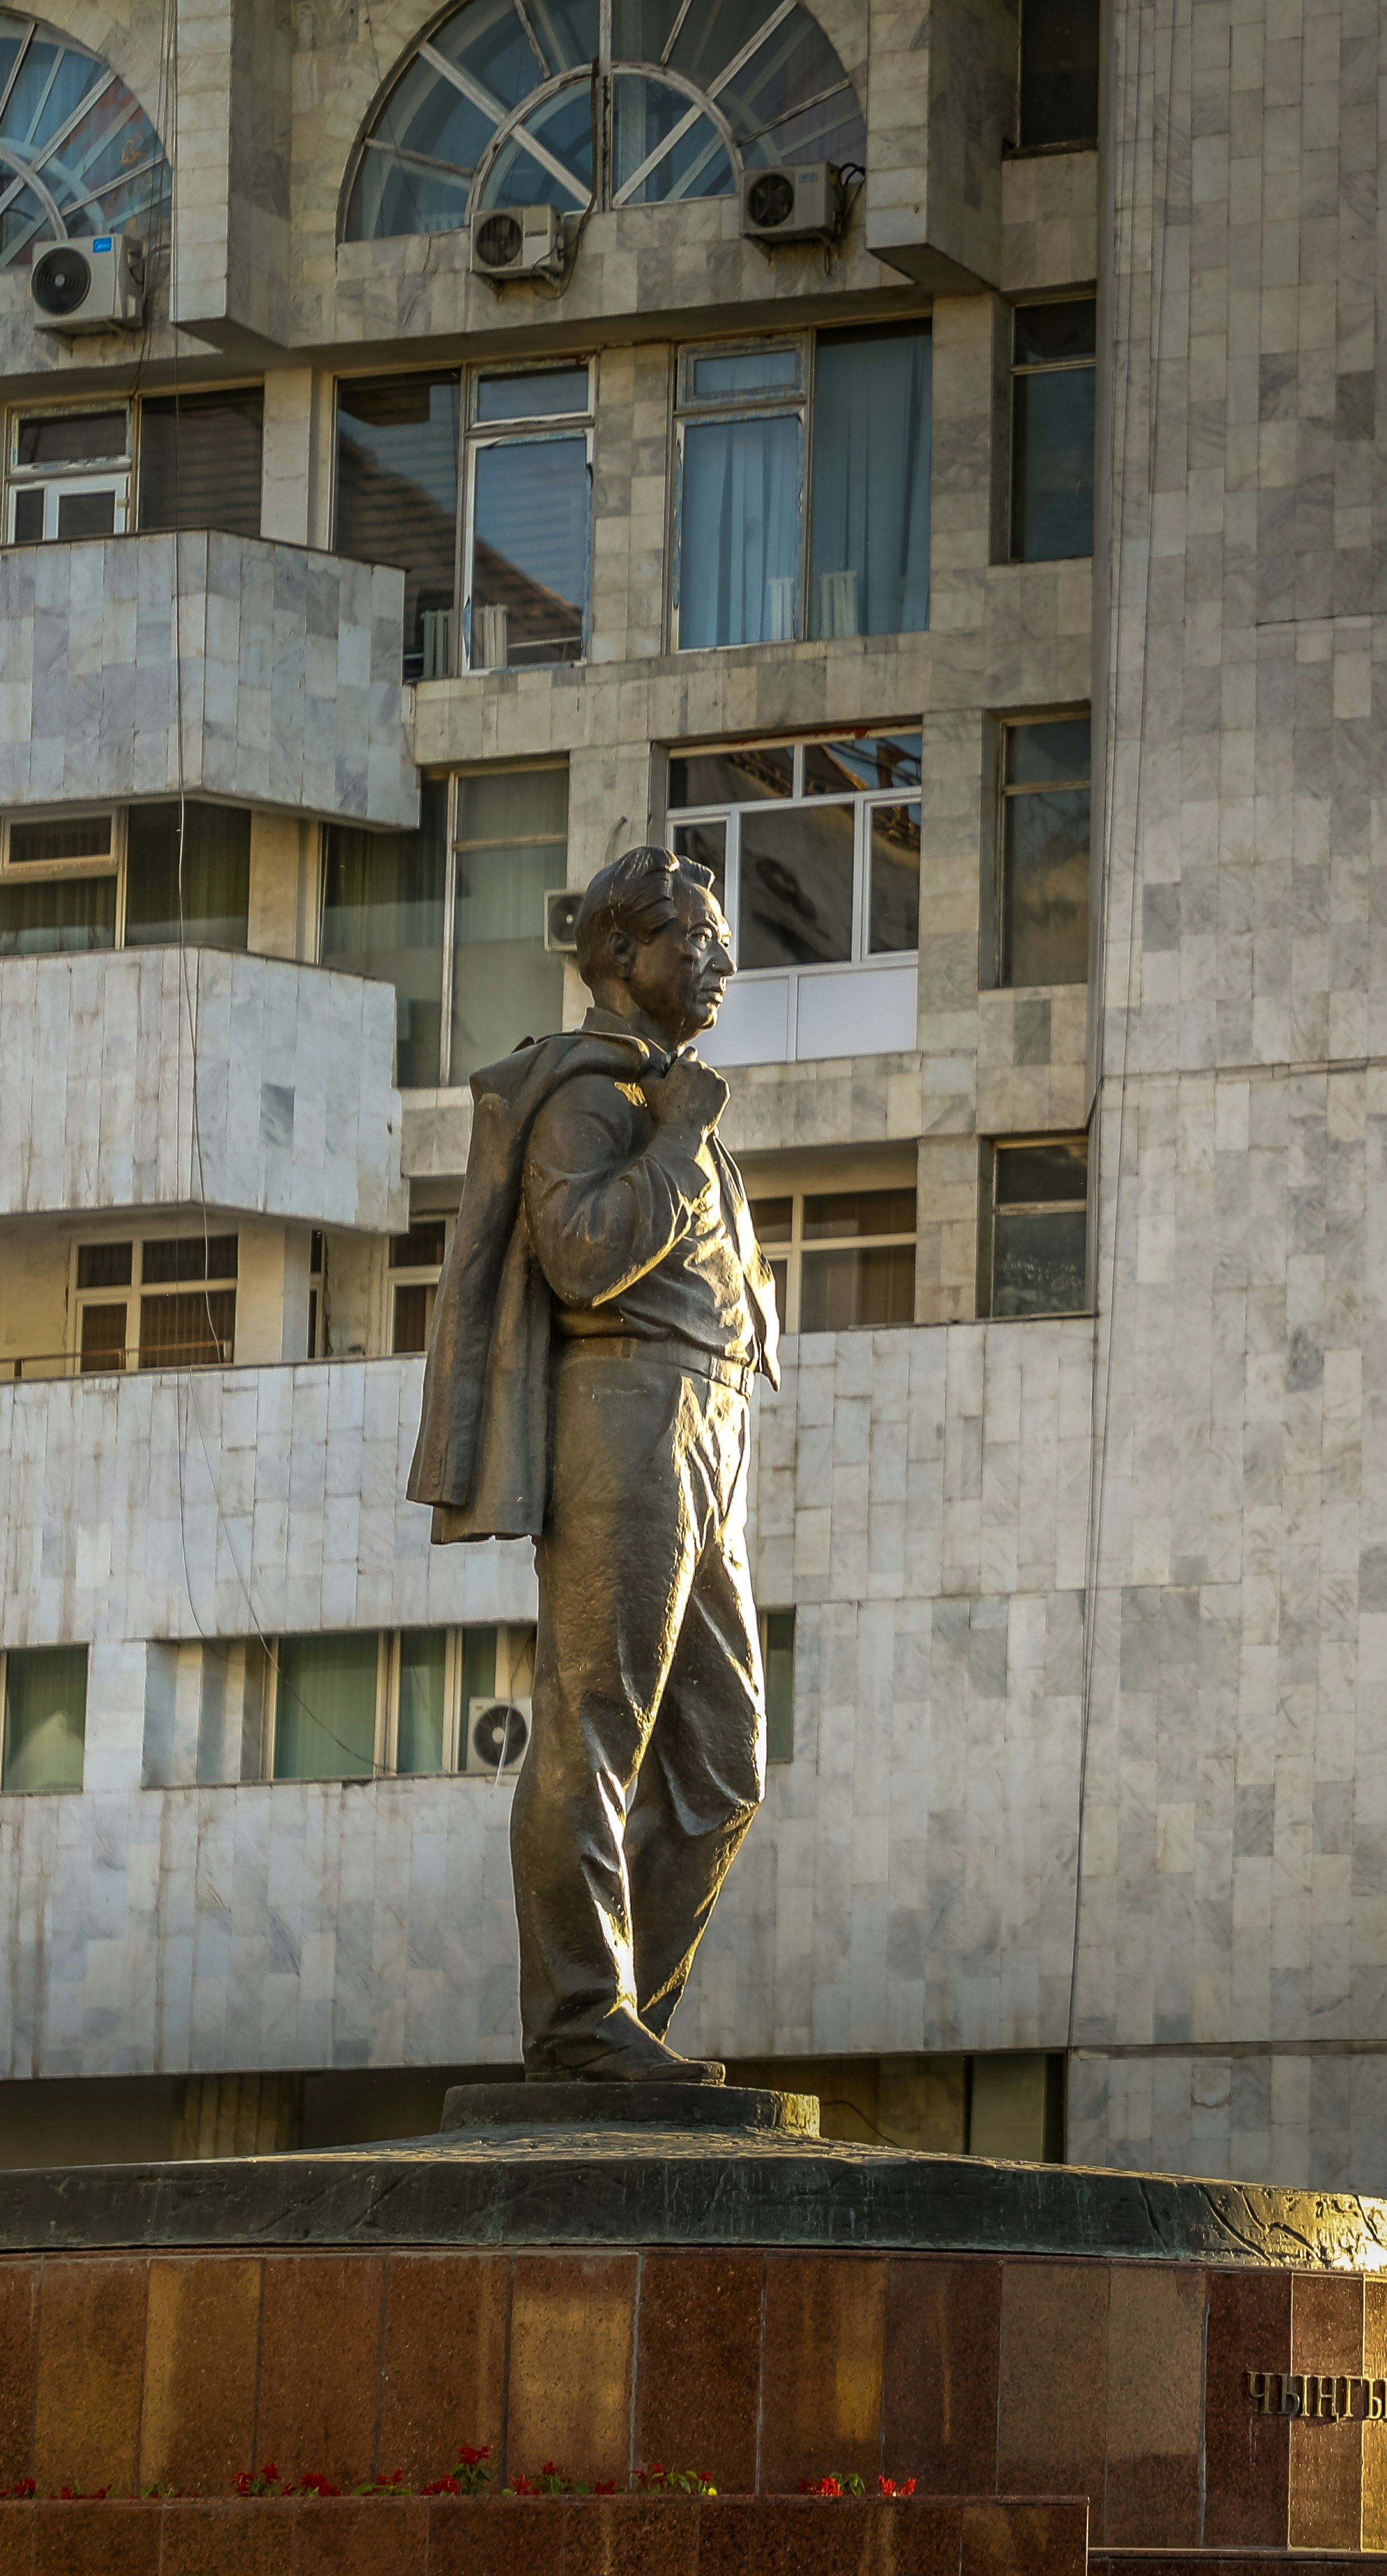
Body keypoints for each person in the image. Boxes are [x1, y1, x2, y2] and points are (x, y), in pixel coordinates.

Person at [410, 846, 779, 2083]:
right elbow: (579, 1256)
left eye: (722, 942)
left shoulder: (667, 1093)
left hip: (711, 1420)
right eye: (699, 937)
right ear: (623, 953)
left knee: (725, 1763)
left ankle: (618, 2022)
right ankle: (580, 2018)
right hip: (625, 1400)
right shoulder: (592, 1093)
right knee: (596, 1718)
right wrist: (675, 1144)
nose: (722, 961)